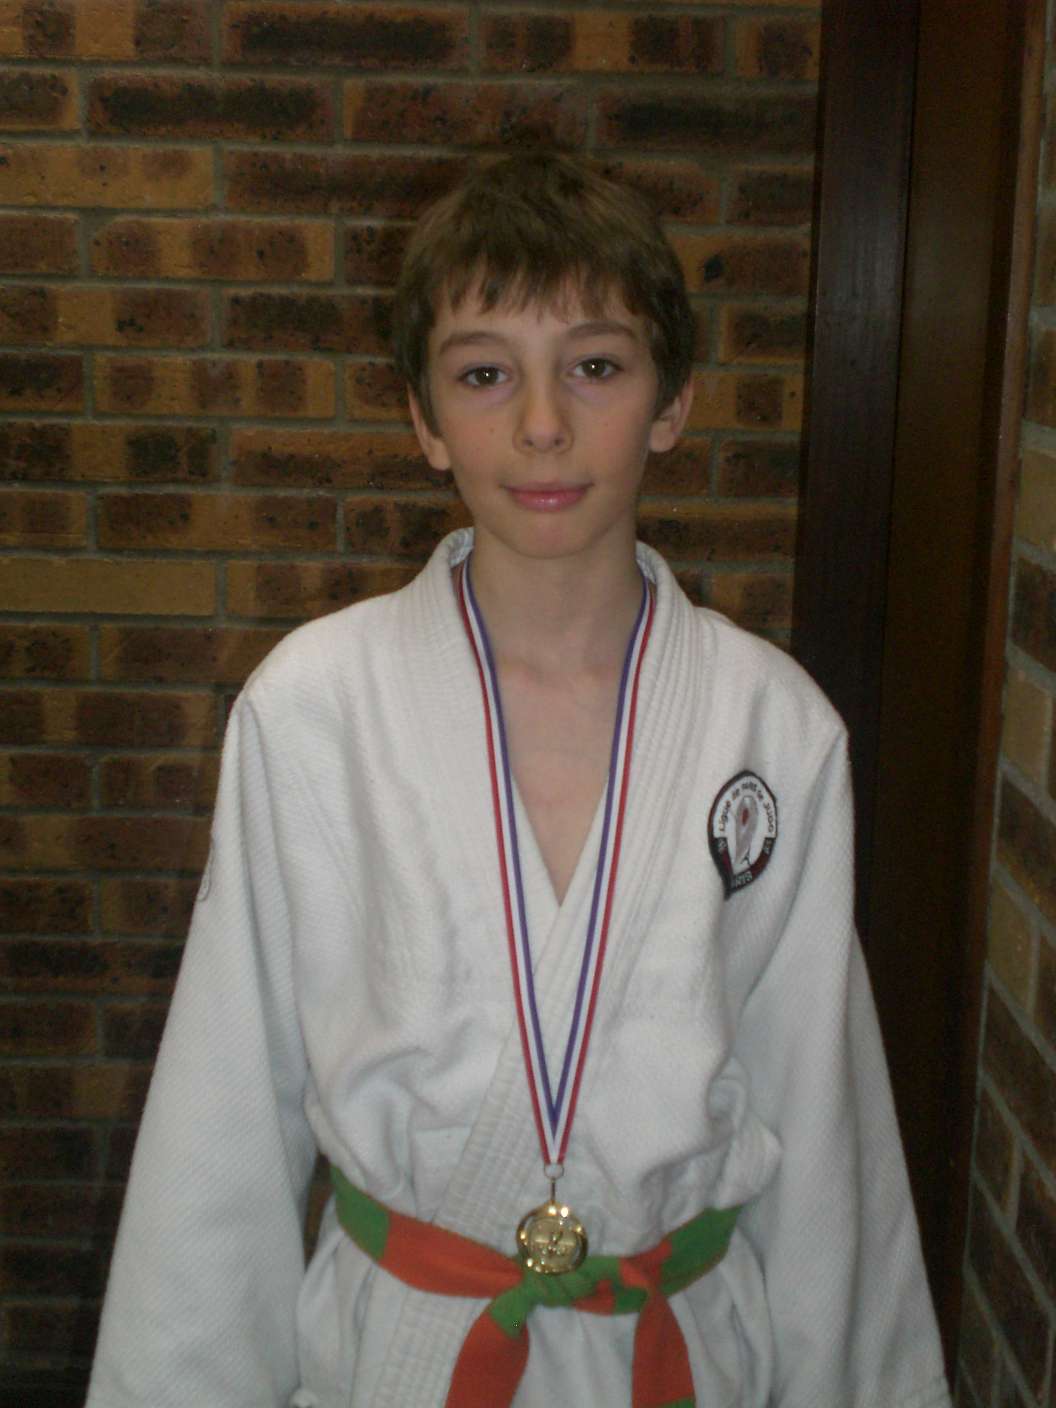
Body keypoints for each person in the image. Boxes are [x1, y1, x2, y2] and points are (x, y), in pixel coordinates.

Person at [87, 153, 952, 1408]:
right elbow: (225, 1115)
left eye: (595, 366)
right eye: (485, 374)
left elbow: (824, 1124)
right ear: (425, 420)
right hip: (404, 1353)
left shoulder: (773, 727)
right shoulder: (314, 707)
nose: (543, 423)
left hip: (680, 1349)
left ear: (673, 401)